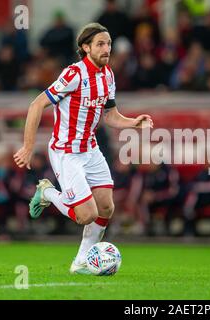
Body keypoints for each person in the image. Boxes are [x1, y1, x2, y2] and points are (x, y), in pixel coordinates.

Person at [13, 23, 153, 275]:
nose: (106, 48)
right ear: (85, 47)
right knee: (86, 215)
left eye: (108, 43)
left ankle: (80, 262)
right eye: (100, 44)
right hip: (66, 152)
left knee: (107, 208)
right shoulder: (73, 74)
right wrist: (28, 146)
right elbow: (36, 105)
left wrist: (132, 122)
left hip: (90, 149)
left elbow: (109, 115)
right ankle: (47, 193)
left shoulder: (108, 75)